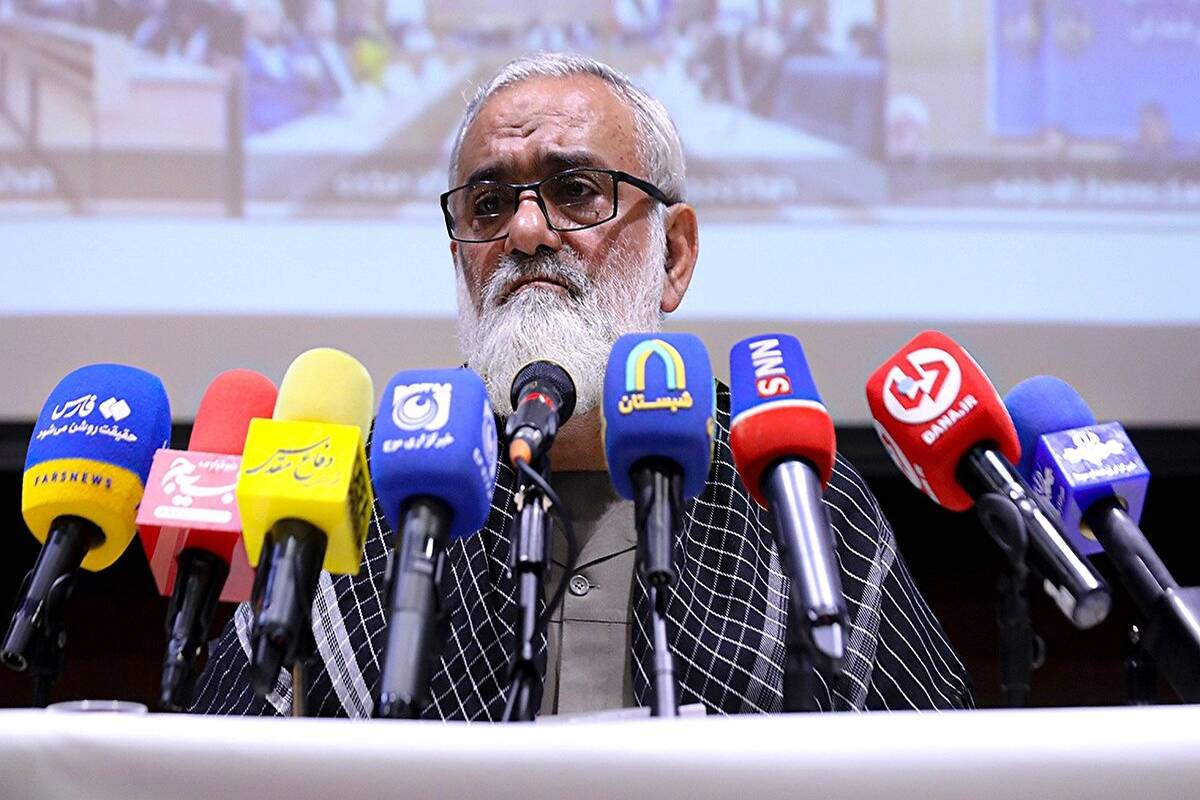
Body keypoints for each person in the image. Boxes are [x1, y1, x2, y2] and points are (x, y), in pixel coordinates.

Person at [192, 52, 973, 719]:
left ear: (674, 256)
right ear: (459, 260)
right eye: (488, 205)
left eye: (574, 192)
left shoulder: (789, 490)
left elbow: (936, 764)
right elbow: (213, 765)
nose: (526, 232)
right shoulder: (369, 495)